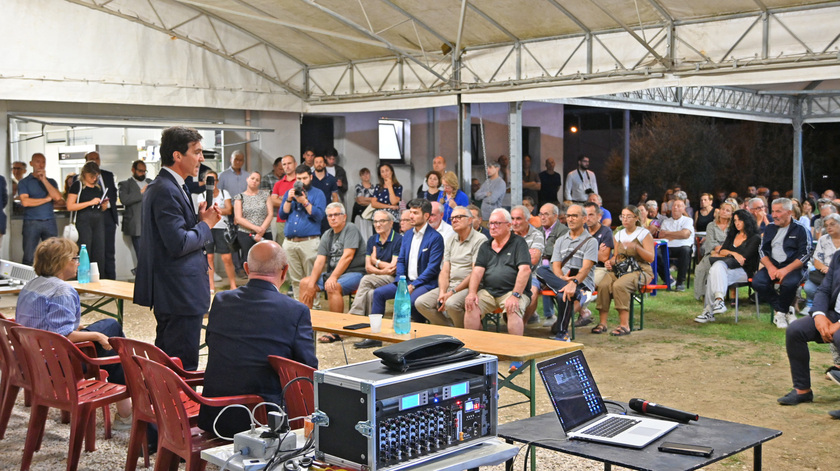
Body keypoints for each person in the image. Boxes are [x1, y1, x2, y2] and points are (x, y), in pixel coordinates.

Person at [197, 241, 317, 437]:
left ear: (246, 268)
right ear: (285, 270)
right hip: (264, 422)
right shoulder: (296, 311)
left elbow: (213, 344)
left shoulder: (220, 300)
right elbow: (307, 370)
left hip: (215, 415)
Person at [16, 237, 132, 424]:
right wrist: (95, 335)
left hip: (31, 359)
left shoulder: (31, 285)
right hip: (55, 364)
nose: (78, 263)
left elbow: (41, 324)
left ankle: (126, 410)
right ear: (61, 262)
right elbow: (62, 335)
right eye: (75, 258)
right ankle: (126, 413)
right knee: (112, 333)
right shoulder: (62, 290)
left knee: (110, 334)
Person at [134, 126, 221, 371]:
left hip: (177, 292)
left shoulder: (173, 185)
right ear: (177, 155)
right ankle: (176, 408)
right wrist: (206, 225)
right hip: (178, 294)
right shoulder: (164, 189)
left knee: (170, 360)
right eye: (197, 152)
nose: (201, 159)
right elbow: (178, 243)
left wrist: (199, 219)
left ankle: (165, 405)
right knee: (180, 366)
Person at [775, 248, 840, 415]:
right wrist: (819, 315)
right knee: (795, 331)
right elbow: (825, 289)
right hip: (833, 313)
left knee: (839, 336)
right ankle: (802, 390)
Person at [371, 199, 444, 324]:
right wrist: (401, 281)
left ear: (426, 216)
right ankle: (374, 334)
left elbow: (432, 268)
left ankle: (418, 330)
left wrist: (414, 285)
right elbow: (401, 260)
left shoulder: (435, 237)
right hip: (406, 281)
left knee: (410, 300)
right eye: (410, 212)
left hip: (425, 283)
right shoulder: (408, 234)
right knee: (378, 293)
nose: (411, 216)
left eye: (415, 213)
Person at [464, 208, 532, 337]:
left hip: (513, 291)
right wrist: (472, 293)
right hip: (489, 291)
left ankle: (517, 353)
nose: (493, 227)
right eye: (490, 223)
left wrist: (515, 295)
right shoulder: (485, 246)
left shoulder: (519, 243)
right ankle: (473, 348)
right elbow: (477, 271)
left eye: (497, 223)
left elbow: (525, 270)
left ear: (508, 225)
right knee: (471, 305)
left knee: (513, 308)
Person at [534, 203, 596, 341]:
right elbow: (555, 265)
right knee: (541, 270)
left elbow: (586, 268)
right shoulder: (561, 240)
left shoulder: (591, 241)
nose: (570, 219)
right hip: (563, 279)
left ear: (584, 219)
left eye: (575, 216)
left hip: (582, 282)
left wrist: (574, 282)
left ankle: (563, 334)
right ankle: (562, 333)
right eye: (568, 216)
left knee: (564, 294)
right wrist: (562, 278)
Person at [416, 206, 486, 327]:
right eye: (452, 218)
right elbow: (445, 270)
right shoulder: (451, 239)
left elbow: (476, 272)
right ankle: (450, 330)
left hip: (471, 286)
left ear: (470, 220)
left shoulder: (480, 239)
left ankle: (463, 334)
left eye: (459, 217)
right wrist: (443, 292)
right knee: (421, 303)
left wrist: (452, 292)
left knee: (452, 304)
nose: (454, 220)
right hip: (450, 286)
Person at [595, 206, 655, 336]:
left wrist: (636, 247)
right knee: (604, 284)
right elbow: (616, 256)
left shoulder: (644, 234)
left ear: (636, 218)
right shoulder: (618, 234)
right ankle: (603, 323)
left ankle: (624, 325)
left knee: (619, 285)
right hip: (621, 268)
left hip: (640, 269)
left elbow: (650, 257)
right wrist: (610, 262)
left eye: (629, 216)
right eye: (623, 216)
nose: (625, 219)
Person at [753, 198, 811, 329]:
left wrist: (785, 270)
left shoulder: (801, 230)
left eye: (778, 211)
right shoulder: (770, 228)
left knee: (789, 284)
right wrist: (771, 268)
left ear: (789, 212)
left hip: (794, 267)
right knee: (757, 282)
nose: (774, 215)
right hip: (773, 265)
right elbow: (762, 250)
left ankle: (780, 313)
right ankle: (785, 310)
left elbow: (806, 254)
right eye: (772, 211)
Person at [300, 202, 365, 319]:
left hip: (355, 272)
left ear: (344, 216)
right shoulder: (327, 234)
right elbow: (319, 261)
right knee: (305, 283)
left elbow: (348, 256)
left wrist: (333, 277)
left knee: (332, 286)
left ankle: (335, 330)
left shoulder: (350, 228)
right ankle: (304, 326)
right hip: (334, 273)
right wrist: (311, 284)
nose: (333, 218)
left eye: (336, 214)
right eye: (329, 215)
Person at [694, 210, 761, 323]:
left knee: (715, 269)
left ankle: (709, 311)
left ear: (747, 221)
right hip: (726, 269)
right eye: (735, 221)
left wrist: (726, 254)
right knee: (716, 270)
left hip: (743, 271)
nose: (737, 223)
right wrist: (733, 254)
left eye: (740, 220)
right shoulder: (733, 235)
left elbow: (743, 259)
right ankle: (719, 301)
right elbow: (723, 250)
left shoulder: (755, 238)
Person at [278, 165, 327, 300]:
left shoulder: (318, 194)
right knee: (295, 279)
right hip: (290, 242)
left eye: (305, 178)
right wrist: (289, 199)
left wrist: (304, 202)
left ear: (311, 177)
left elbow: (319, 216)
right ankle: (297, 307)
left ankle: (314, 309)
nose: (301, 181)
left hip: (309, 242)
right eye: (298, 178)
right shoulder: (290, 192)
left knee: (312, 279)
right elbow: (282, 215)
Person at [347, 210, 402, 320]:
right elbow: (368, 267)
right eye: (375, 221)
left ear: (391, 223)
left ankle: (354, 315)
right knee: (370, 293)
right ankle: (369, 323)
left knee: (366, 279)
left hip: (393, 279)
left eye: (382, 221)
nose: (377, 224)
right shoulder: (372, 240)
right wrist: (382, 270)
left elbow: (393, 268)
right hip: (377, 277)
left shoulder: (398, 240)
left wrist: (375, 261)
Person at [18, 153, 64, 265]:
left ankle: (51, 280)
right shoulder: (24, 182)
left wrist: (44, 180)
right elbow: (25, 202)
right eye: (38, 161)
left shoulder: (51, 182)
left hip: (49, 221)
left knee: (53, 254)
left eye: (43, 162)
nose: (41, 165)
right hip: (31, 222)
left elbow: (57, 197)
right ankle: (29, 281)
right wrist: (46, 199)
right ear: (31, 163)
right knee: (29, 255)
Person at [198, 171, 237, 293]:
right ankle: (211, 285)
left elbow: (229, 210)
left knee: (227, 257)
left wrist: (214, 210)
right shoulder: (202, 196)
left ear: (217, 181)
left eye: (214, 180)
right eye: (209, 180)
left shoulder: (224, 193)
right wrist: (219, 210)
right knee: (209, 257)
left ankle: (233, 284)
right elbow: (202, 213)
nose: (212, 183)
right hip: (208, 228)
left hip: (222, 228)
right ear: (204, 182)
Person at [66, 161, 109, 273]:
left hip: (98, 220)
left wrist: (104, 205)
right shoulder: (78, 185)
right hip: (83, 221)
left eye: (96, 176)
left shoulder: (98, 187)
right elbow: (70, 206)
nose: (94, 179)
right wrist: (89, 203)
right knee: (85, 250)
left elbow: (101, 208)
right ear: (84, 174)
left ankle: (98, 275)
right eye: (91, 176)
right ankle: (82, 275)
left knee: (99, 251)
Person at [81, 152, 118, 279]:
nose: (95, 161)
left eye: (97, 158)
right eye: (92, 159)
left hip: (108, 216)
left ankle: (111, 279)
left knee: (108, 252)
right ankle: (93, 279)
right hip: (89, 218)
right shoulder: (81, 180)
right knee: (92, 251)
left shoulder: (107, 175)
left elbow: (113, 194)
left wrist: (107, 204)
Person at [693, 199, 737, 301]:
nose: (723, 212)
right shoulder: (711, 225)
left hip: (729, 254)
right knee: (703, 267)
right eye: (722, 209)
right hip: (714, 252)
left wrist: (726, 251)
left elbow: (734, 243)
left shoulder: (733, 227)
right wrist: (720, 249)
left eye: (727, 210)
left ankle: (730, 294)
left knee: (730, 265)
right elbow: (711, 243)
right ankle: (705, 294)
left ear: (731, 214)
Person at [510, 205, 545, 324]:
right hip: (508, 273)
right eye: (512, 219)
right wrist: (525, 254)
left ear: (527, 219)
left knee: (533, 292)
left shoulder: (537, 235)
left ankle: (523, 323)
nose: (514, 222)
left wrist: (511, 256)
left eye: (518, 219)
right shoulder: (506, 233)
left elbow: (533, 260)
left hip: (532, 274)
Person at [538, 203, 570, 326]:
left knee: (545, 275)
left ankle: (550, 315)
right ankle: (530, 315)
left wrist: (543, 250)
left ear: (555, 216)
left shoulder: (563, 231)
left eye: (546, 214)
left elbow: (560, 253)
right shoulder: (538, 231)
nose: (542, 217)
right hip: (539, 266)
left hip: (557, 267)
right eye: (541, 214)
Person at [801, 213, 840, 315]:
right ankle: (812, 306)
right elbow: (817, 260)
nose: (829, 227)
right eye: (826, 226)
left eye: (832, 224)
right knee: (809, 286)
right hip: (824, 273)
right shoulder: (823, 239)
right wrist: (825, 268)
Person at [118, 160, 151, 274]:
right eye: (140, 171)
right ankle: (142, 274)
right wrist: (141, 193)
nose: (143, 173)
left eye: (144, 171)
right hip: (136, 224)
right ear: (133, 170)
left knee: (152, 253)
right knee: (141, 253)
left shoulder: (150, 182)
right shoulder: (125, 184)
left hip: (150, 223)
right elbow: (125, 200)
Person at [655, 199, 694, 291]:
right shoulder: (666, 221)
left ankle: (680, 283)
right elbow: (661, 235)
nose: (675, 207)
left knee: (686, 251)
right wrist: (678, 234)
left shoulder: (688, 220)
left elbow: (685, 234)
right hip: (668, 247)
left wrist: (668, 233)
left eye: (678, 206)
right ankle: (668, 279)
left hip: (683, 246)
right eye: (674, 206)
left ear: (684, 208)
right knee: (656, 253)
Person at [233, 172, 274, 259]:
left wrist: (261, 230)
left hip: (265, 232)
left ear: (259, 183)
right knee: (250, 259)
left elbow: (270, 214)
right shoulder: (239, 197)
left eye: (257, 180)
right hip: (246, 233)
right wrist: (256, 228)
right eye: (252, 178)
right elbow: (238, 218)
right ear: (247, 179)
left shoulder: (266, 194)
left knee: (267, 259)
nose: (254, 181)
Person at [269, 155, 298, 245]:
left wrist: (282, 198)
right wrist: (290, 201)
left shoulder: (300, 181)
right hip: (282, 221)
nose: (287, 166)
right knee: (282, 251)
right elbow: (273, 201)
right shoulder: (278, 184)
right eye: (284, 164)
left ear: (295, 164)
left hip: (299, 219)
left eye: (289, 163)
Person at [352, 167, 376, 242]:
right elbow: (359, 200)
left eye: (367, 174)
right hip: (360, 212)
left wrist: (366, 199)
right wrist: (371, 200)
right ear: (361, 176)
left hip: (370, 213)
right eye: (363, 174)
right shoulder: (358, 186)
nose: (366, 176)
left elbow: (376, 201)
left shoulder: (374, 187)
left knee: (370, 231)